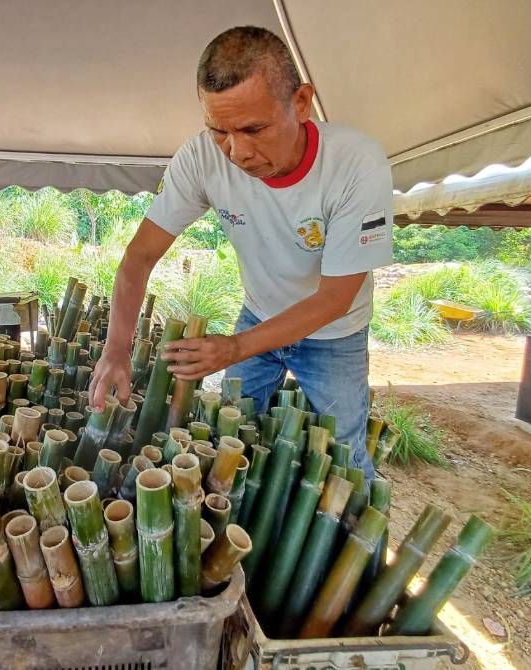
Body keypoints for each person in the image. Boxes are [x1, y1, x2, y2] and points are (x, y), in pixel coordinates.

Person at [89, 26, 393, 480]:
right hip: (259, 314)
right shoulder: (199, 160)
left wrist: (232, 348)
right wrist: (116, 349)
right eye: (219, 132)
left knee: (346, 459)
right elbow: (139, 258)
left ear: (302, 102)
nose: (238, 152)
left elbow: (335, 298)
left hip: (335, 333)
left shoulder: (357, 165)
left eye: (254, 129)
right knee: (225, 438)